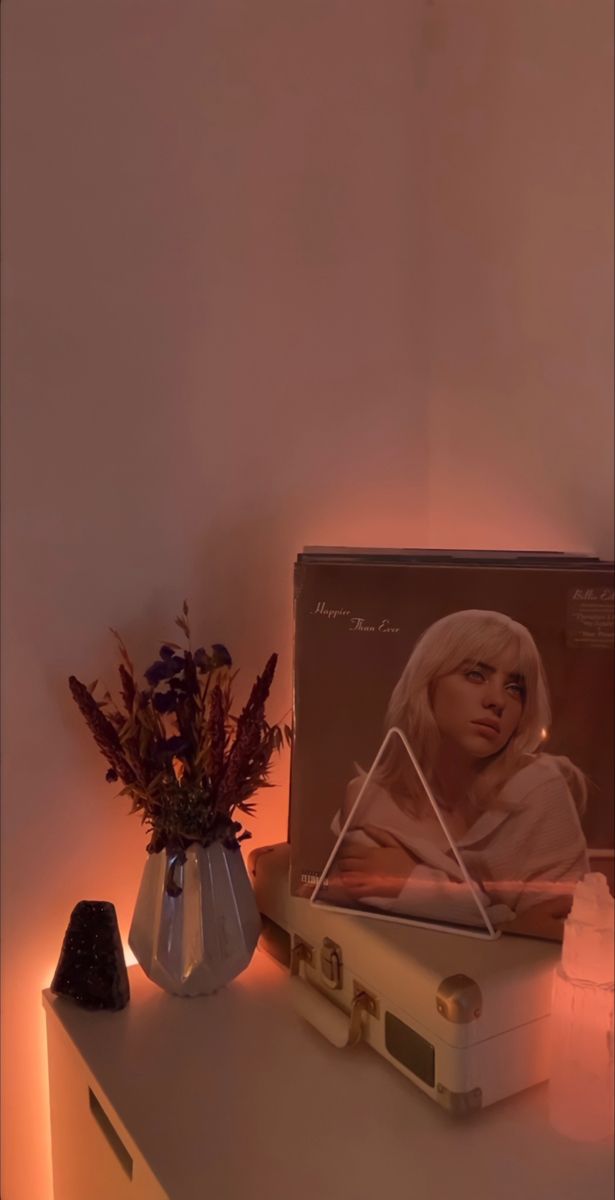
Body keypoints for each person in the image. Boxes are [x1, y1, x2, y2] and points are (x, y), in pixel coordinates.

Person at [329, 609, 590, 938]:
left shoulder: (539, 788)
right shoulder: (369, 798)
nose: (498, 701)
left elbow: (564, 933)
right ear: (428, 682)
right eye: (476, 675)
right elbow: (355, 914)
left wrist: (420, 886)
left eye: (514, 688)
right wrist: (504, 919)